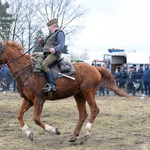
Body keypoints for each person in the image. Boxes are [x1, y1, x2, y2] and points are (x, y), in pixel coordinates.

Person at [41, 18, 65, 92]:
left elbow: (61, 44)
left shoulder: (59, 33)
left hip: (54, 54)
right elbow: (46, 47)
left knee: (44, 64)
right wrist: (42, 42)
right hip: (47, 54)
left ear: (53, 26)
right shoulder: (51, 35)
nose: (49, 28)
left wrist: (55, 49)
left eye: (49, 26)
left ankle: (52, 85)